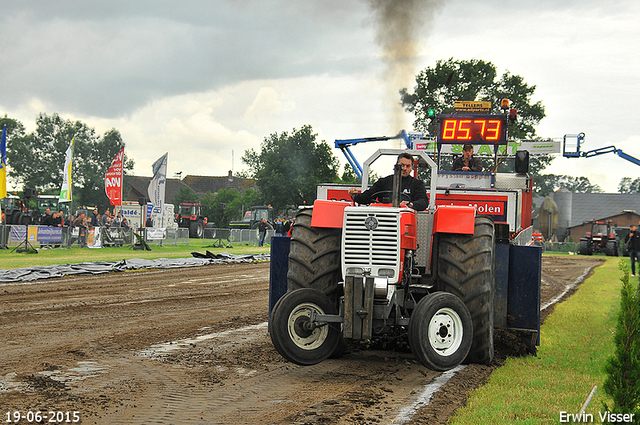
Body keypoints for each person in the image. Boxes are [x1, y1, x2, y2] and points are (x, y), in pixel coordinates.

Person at [348, 152, 428, 211]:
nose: (404, 168)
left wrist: (410, 204)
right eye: (402, 165)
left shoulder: (417, 184)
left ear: (411, 168)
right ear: (396, 165)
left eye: (408, 166)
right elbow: (367, 197)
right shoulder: (383, 182)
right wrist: (356, 195)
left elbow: (423, 202)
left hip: (405, 217)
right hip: (382, 217)